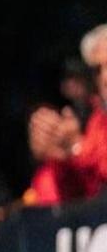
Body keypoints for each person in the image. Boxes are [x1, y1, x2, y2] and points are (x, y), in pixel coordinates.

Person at [28, 23, 107, 205]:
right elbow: (57, 198)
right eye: (97, 70)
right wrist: (59, 159)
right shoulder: (94, 119)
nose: (105, 78)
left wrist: (77, 146)